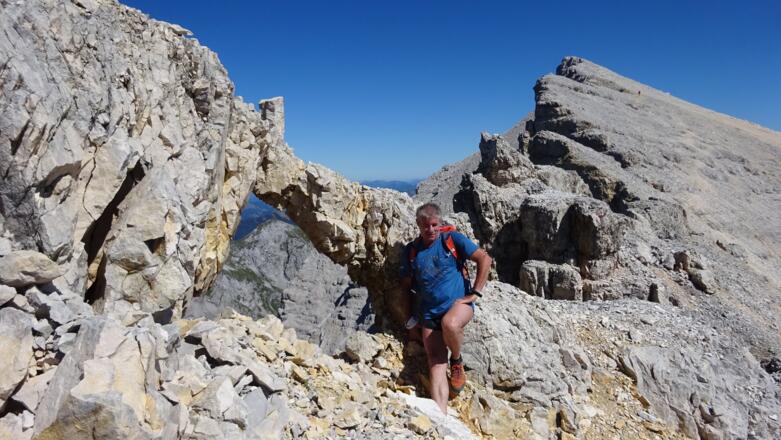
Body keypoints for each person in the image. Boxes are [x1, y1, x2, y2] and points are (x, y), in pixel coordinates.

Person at [400, 203, 492, 414]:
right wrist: (410, 320)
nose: (430, 230)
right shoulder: (412, 251)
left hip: (459, 306)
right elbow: (405, 288)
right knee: (435, 363)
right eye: (425, 226)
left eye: (434, 225)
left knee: (449, 323)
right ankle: (440, 419)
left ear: (440, 223)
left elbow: (484, 259)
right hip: (428, 312)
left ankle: (457, 361)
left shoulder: (452, 240)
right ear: (418, 225)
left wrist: (475, 293)